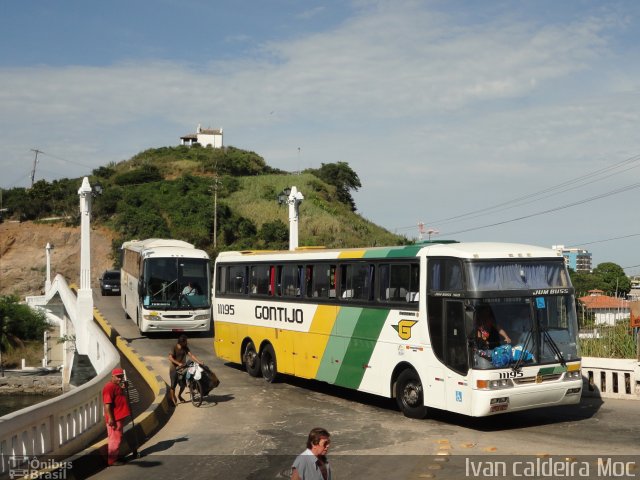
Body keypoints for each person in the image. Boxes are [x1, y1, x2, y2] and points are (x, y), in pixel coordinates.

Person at [102, 367, 131, 466]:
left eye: (121, 377)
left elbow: (118, 394)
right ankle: (112, 460)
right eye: (118, 377)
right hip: (115, 418)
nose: (120, 379)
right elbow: (107, 404)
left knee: (117, 437)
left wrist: (123, 387)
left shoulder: (116, 385)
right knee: (115, 438)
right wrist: (111, 418)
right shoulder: (109, 387)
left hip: (119, 416)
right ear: (113, 376)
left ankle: (115, 456)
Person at [168, 334, 203, 405]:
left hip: (183, 368)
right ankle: (172, 399)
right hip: (174, 369)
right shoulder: (174, 347)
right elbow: (170, 358)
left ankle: (179, 396)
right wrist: (178, 363)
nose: (186, 343)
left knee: (183, 385)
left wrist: (199, 362)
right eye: (185, 342)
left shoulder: (185, 347)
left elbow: (191, 355)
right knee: (173, 385)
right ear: (181, 342)